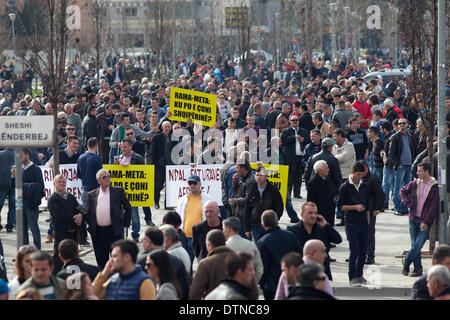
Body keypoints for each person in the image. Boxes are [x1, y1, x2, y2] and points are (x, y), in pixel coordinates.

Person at [86, 168, 132, 270]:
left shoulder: (117, 191)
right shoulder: (92, 194)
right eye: (104, 177)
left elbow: (128, 207)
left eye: (108, 176)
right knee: (101, 261)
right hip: (98, 232)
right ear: (99, 181)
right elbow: (89, 213)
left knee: (117, 260)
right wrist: (91, 226)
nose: (107, 179)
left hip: (113, 231)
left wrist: (125, 224)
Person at [400, 162, 439, 277]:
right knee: (414, 245)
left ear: (427, 172)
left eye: (420, 171)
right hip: (413, 219)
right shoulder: (415, 183)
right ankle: (418, 269)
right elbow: (402, 191)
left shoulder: (434, 187)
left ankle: (406, 262)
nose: (417, 173)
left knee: (418, 246)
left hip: (424, 221)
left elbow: (433, 207)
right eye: (417, 170)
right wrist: (408, 203)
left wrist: (426, 222)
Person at [286, 202, 342, 280]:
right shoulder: (292, 231)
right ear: (302, 215)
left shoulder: (322, 229)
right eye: (310, 213)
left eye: (315, 213)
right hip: (302, 274)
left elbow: (338, 240)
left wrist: (326, 225)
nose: (313, 216)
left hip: (322, 274)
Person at [336, 161, 370, 287]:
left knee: (363, 251)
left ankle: (360, 274)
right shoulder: (345, 187)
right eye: (358, 175)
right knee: (354, 251)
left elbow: (367, 203)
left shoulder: (364, 186)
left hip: (363, 224)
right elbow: (340, 206)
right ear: (352, 172)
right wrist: (354, 207)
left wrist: (368, 221)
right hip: (351, 223)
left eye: (361, 175)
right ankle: (352, 277)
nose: (359, 177)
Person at [136, 226, 192, 300]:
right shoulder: (176, 260)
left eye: (142, 240)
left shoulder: (141, 261)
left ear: (148, 242)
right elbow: (187, 284)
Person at [257, 210, 302, 300]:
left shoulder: (262, 241)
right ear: (277, 221)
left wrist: (262, 283)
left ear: (263, 225)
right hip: (292, 281)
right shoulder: (291, 235)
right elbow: (300, 256)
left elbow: (264, 266)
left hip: (271, 285)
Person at [47, 174, 87, 274]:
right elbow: (59, 215)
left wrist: (80, 215)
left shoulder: (70, 196)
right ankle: (55, 280)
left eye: (63, 182)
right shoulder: (53, 199)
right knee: (59, 259)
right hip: (61, 234)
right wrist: (75, 217)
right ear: (54, 184)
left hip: (73, 234)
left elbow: (78, 207)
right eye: (59, 182)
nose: (62, 184)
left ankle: (73, 282)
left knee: (74, 259)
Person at [11, 148, 45, 249]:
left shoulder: (36, 169)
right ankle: (24, 252)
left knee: (34, 229)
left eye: (21, 156)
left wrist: (23, 186)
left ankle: (38, 250)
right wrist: (13, 177)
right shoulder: (19, 169)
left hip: (31, 204)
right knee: (22, 230)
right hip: (20, 203)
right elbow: (13, 188)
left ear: (27, 155)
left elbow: (40, 186)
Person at [189, 230, 237, 300]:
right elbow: (252, 289)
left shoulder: (205, 264)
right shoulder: (240, 260)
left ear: (209, 245)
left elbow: (195, 293)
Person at [114, 137, 145, 242]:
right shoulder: (119, 157)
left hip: (133, 192)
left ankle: (135, 234)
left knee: (134, 214)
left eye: (125, 147)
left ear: (131, 146)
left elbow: (144, 173)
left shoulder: (138, 158)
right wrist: (116, 166)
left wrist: (130, 167)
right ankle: (123, 234)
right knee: (121, 215)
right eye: (122, 147)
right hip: (121, 193)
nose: (123, 149)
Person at [175, 174, 212, 264]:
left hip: (201, 237)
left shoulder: (208, 199)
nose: (192, 185)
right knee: (187, 263)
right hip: (186, 237)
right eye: (190, 183)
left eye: (194, 183)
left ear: (200, 184)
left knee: (203, 262)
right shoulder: (182, 199)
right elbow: (177, 216)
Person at [245, 166, 283, 242]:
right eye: (257, 175)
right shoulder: (252, 189)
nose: (258, 177)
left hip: (270, 225)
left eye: (261, 175)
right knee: (258, 247)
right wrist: (247, 229)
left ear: (266, 176)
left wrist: (275, 219)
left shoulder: (273, 190)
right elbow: (247, 209)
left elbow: (279, 207)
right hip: (256, 225)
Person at [223, 216, 263, 284]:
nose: (223, 231)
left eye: (223, 228)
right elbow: (259, 269)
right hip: (248, 286)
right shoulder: (251, 245)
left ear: (228, 229)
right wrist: (252, 283)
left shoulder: (224, 247)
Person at [388, 118, 416, 215]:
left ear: (407, 124)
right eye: (400, 124)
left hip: (409, 165)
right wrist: (398, 164)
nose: (401, 125)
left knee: (407, 188)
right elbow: (391, 153)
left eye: (403, 123)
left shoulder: (409, 135)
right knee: (397, 187)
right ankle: (397, 208)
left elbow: (413, 149)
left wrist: (413, 161)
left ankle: (404, 207)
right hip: (401, 166)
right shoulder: (395, 137)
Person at [361, 161, 385, 265]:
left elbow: (380, 194)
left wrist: (377, 208)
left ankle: (370, 256)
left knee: (369, 233)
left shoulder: (372, 179)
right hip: (361, 209)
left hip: (370, 210)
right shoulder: (360, 178)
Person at [281, 114, 310, 198]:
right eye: (293, 120)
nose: (295, 122)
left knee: (298, 176)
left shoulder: (303, 131)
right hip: (290, 157)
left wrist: (303, 139)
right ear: (290, 122)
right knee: (290, 176)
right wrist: (294, 137)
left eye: (296, 120)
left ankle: (297, 193)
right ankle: (288, 194)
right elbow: (283, 140)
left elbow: (308, 140)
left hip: (300, 156)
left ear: (298, 121)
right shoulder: (286, 131)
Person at [306, 160, 337, 226]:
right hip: (320, 214)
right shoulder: (313, 182)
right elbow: (310, 200)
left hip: (330, 212)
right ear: (320, 170)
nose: (328, 169)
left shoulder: (328, 179)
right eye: (326, 168)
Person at [77, 137, 103, 210]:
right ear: (96, 146)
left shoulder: (80, 158)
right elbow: (100, 176)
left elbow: (78, 175)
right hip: (96, 191)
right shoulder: (97, 159)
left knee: (86, 215)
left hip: (85, 190)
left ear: (87, 146)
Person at [230, 161, 256, 236]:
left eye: (237, 168)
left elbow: (248, 199)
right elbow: (238, 193)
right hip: (241, 215)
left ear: (243, 168)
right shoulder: (244, 178)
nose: (236, 170)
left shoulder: (250, 181)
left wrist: (235, 201)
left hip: (245, 217)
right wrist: (234, 183)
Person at [151, 120, 173, 209]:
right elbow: (153, 152)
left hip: (170, 166)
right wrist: (155, 164)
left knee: (169, 186)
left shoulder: (173, 137)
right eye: (166, 127)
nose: (167, 128)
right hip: (159, 166)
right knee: (158, 185)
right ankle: (156, 202)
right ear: (162, 128)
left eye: (169, 127)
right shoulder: (157, 137)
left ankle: (167, 204)